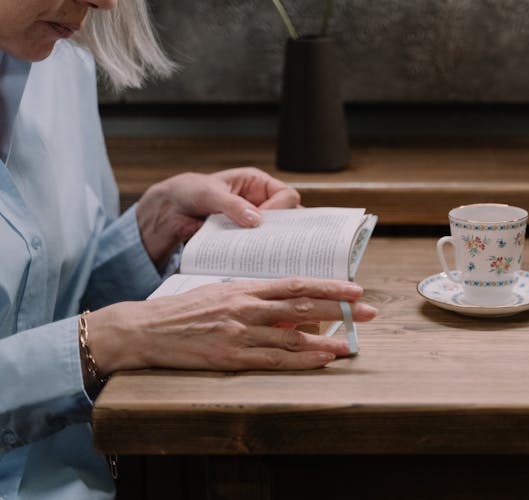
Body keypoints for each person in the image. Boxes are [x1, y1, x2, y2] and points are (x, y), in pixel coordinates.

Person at [0, 0, 377, 497]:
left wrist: (152, 227)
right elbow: (90, 334)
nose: (106, 2)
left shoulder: (59, 60)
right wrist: (111, 338)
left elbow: (55, 305)